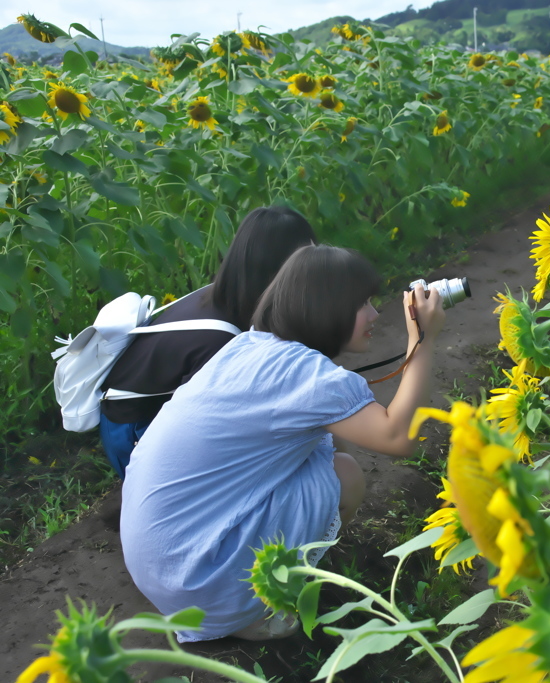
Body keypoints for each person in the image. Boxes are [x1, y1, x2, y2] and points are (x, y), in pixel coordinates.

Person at [119, 245, 445, 642]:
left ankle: (257, 586)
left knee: (321, 447)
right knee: (344, 475)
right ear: (325, 307)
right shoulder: (304, 375)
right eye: (361, 303)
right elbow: (399, 437)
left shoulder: (249, 345)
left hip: (161, 558)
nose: (375, 315)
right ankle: (253, 613)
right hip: (201, 580)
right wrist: (424, 340)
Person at [98, 206, 318, 479]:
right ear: (276, 268)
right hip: (134, 433)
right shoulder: (221, 339)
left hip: (135, 416)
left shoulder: (226, 294)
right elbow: (210, 423)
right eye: (306, 265)